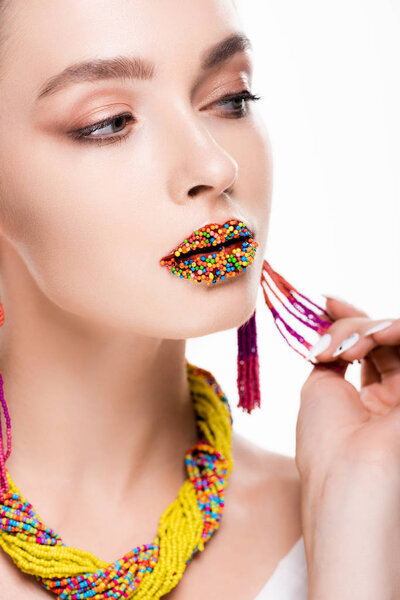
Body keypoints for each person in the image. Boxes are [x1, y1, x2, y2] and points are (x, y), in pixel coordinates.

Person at [0, 1, 399, 599]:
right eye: (109, 121)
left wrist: (354, 558)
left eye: (230, 99)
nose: (216, 164)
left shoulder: (363, 517)